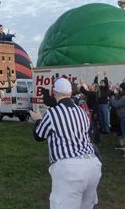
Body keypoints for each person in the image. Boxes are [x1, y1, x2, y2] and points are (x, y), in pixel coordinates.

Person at [30, 78, 102, 209]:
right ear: (70, 92)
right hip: (92, 165)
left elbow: (39, 135)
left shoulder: (53, 112)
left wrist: (38, 119)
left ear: (54, 92)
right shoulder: (81, 111)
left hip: (70, 168)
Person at [110, 83, 125, 157]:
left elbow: (115, 104)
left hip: (124, 116)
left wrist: (112, 96)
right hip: (124, 115)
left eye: (120, 88)